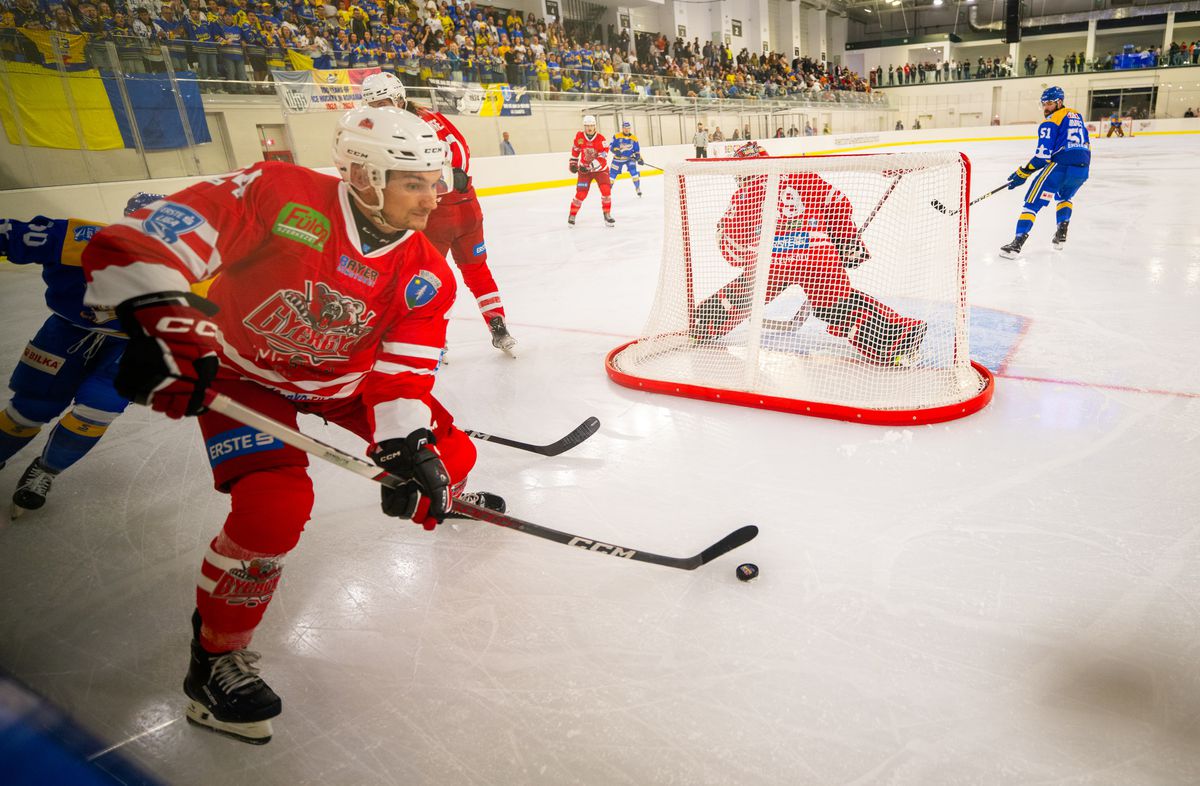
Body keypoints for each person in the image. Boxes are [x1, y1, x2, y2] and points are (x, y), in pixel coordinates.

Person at [81, 108, 504, 745]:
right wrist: (160, 313)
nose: (433, 195)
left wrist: (402, 443)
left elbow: (402, 377)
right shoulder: (279, 195)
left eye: (435, 179)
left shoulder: (425, 273)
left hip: (344, 385)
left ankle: (444, 491)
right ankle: (214, 660)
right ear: (363, 176)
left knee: (449, 457)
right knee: (274, 510)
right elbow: (144, 240)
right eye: (414, 182)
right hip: (244, 377)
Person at [690, 141, 927, 366]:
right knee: (836, 305)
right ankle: (898, 339)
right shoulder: (803, 173)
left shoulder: (747, 191)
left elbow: (735, 244)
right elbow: (838, 203)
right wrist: (846, 242)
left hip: (771, 263)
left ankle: (701, 325)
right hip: (818, 254)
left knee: (743, 295)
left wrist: (727, 239)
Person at [0, 193, 161, 517]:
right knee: (31, 407)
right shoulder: (83, 239)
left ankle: (46, 470)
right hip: (67, 331)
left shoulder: (190, 266)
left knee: (98, 410)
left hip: (133, 344)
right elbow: (15, 234)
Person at [359, 72, 516, 357]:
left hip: (435, 213)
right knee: (475, 269)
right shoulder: (430, 116)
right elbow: (461, 153)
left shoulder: (401, 126)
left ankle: (433, 341)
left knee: (426, 277)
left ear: (397, 98)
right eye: (374, 106)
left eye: (382, 103)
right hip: (466, 206)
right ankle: (498, 326)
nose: (380, 110)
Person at [1000, 86, 1090, 257]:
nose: (1046, 108)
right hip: (1082, 168)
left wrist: (1023, 172)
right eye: (1044, 104)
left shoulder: (1051, 121)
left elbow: (1043, 157)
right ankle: (1061, 234)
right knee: (1065, 197)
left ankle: (1016, 244)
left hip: (1060, 166)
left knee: (1032, 204)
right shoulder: (1076, 116)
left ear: (1059, 102)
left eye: (1049, 103)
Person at [567, 114, 614, 227]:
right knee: (581, 194)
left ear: (595, 126)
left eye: (591, 125)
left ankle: (607, 214)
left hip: (600, 170)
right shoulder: (579, 137)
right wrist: (573, 163)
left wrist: (589, 166)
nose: (589, 128)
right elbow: (576, 150)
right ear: (584, 126)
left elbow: (603, 157)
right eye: (587, 125)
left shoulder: (601, 139)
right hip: (584, 171)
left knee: (606, 191)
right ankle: (572, 215)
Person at [608, 120, 644, 197]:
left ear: (630, 128)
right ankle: (607, 192)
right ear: (622, 128)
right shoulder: (617, 136)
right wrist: (615, 150)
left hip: (629, 159)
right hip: (617, 159)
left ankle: (637, 188)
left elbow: (637, 150)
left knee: (634, 173)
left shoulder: (634, 138)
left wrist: (639, 158)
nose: (626, 129)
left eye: (628, 128)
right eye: (625, 128)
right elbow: (610, 146)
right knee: (612, 176)